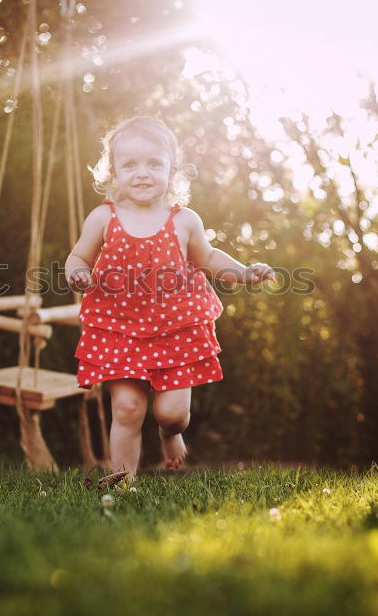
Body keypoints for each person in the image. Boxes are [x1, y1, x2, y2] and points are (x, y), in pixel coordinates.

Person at [64, 115, 275, 481]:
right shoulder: (102, 218)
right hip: (120, 328)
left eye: (153, 164)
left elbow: (208, 258)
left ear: (172, 170)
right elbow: (78, 256)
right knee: (128, 408)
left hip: (174, 330)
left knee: (172, 414)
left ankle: (169, 435)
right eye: (129, 165)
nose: (142, 173)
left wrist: (244, 272)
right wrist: (77, 273)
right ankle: (123, 482)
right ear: (113, 172)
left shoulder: (183, 220)